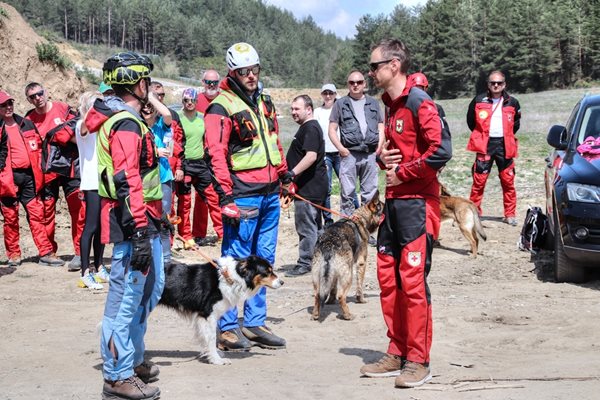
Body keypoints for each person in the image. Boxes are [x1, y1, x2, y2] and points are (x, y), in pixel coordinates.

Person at [361, 38, 451, 388]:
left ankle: (419, 360)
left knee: (412, 284)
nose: (371, 73)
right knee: (389, 281)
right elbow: (394, 155)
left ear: (394, 65)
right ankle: (396, 352)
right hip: (394, 204)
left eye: (374, 66)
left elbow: (441, 150)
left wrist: (407, 171)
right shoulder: (391, 105)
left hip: (417, 205)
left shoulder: (419, 101)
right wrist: (385, 160)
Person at [85, 52, 164, 400]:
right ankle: (117, 375)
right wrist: (140, 231)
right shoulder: (126, 122)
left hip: (145, 217)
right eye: (147, 81)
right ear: (138, 83)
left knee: (151, 288)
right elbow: (126, 177)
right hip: (132, 221)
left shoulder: (129, 117)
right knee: (124, 298)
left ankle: (130, 358)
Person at [205, 42, 289, 351]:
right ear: (232, 72)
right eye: (244, 71)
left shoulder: (264, 99)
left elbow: (272, 138)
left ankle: (254, 323)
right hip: (242, 195)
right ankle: (227, 326)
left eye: (255, 69)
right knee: (235, 263)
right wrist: (225, 197)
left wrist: (283, 172)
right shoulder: (221, 105)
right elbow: (214, 153)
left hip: (269, 192)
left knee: (265, 260)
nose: (251, 75)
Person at [24, 82, 84, 270]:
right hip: (47, 171)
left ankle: (80, 252)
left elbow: (81, 130)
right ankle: (49, 252)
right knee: (47, 211)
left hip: (70, 168)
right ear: (29, 100)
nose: (37, 98)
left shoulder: (64, 109)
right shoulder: (29, 119)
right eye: (32, 97)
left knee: (78, 209)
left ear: (46, 92)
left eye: (39, 94)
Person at [0, 90, 64, 267]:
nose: (8, 107)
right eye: (3, 105)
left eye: (10, 103)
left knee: (37, 215)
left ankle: (45, 252)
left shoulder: (25, 123)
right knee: (11, 218)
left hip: (29, 177)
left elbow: (41, 150)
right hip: (7, 179)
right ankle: (13, 254)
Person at [466, 70, 521, 225]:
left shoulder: (513, 102)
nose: (496, 85)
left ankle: (509, 214)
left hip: (505, 146)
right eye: (493, 83)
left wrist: (507, 135)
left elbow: (516, 123)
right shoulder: (478, 100)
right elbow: (471, 121)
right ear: (488, 84)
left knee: (508, 181)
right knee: (479, 181)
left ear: (505, 84)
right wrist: (482, 135)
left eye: (499, 83)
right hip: (485, 145)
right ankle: (474, 212)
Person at [328, 70, 384, 218]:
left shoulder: (373, 103)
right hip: (349, 155)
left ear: (364, 84)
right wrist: (341, 149)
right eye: (352, 83)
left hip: (370, 154)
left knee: (370, 195)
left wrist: (380, 145)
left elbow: (380, 126)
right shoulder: (340, 104)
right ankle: (346, 229)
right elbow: (332, 130)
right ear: (348, 85)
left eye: (359, 82)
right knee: (347, 194)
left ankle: (367, 229)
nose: (355, 85)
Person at [284, 95, 327, 277]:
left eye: (297, 109)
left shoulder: (310, 127)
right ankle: (319, 260)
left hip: (309, 188)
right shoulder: (307, 127)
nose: (293, 112)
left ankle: (305, 262)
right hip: (310, 186)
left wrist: (292, 173)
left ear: (308, 109)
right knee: (315, 226)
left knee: (306, 227)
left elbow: (310, 156)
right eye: (292, 109)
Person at [175, 88, 223, 248]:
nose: (189, 103)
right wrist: (179, 166)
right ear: (183, 101)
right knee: (185, 202)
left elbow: (209, 140)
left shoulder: (202, 118)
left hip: (201, 164)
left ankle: (222, 232)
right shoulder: (178, 118)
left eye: (192, 100)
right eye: (186, 100)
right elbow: (176, 142)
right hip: (185, 163)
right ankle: (185, 236)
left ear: (197, 102)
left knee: (212, 198)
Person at [75, 90, 109, 289]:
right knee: (91, 227)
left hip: (104, 182)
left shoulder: (103, 126)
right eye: (96, 103)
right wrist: (96, 106)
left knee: (102, 226)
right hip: (91, 182)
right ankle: (85, 272)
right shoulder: (82, 125)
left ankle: (99, 266)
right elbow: (87, 126)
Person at [141, 85, 174, 265]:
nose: (147, 108)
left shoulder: (161, 125)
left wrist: (150, 97)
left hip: (163, 178)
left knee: (165, 218)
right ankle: (151, 256)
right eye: (144, 105)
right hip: (145, 181)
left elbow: (167, 114)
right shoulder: (137, 125)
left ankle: (166, 258)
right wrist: (155, 151)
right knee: (146, 220)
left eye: (150, 106)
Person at [192, 69, 223, 245]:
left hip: (221, 153)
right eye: (208, 82)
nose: (211, 86)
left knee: (222, 193)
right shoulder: (196, 100)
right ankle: (199, 233)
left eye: (214, 82)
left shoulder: (224, 99)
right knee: (202, 196)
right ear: (203, 82)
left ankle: (222, 231)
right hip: (201, 154)